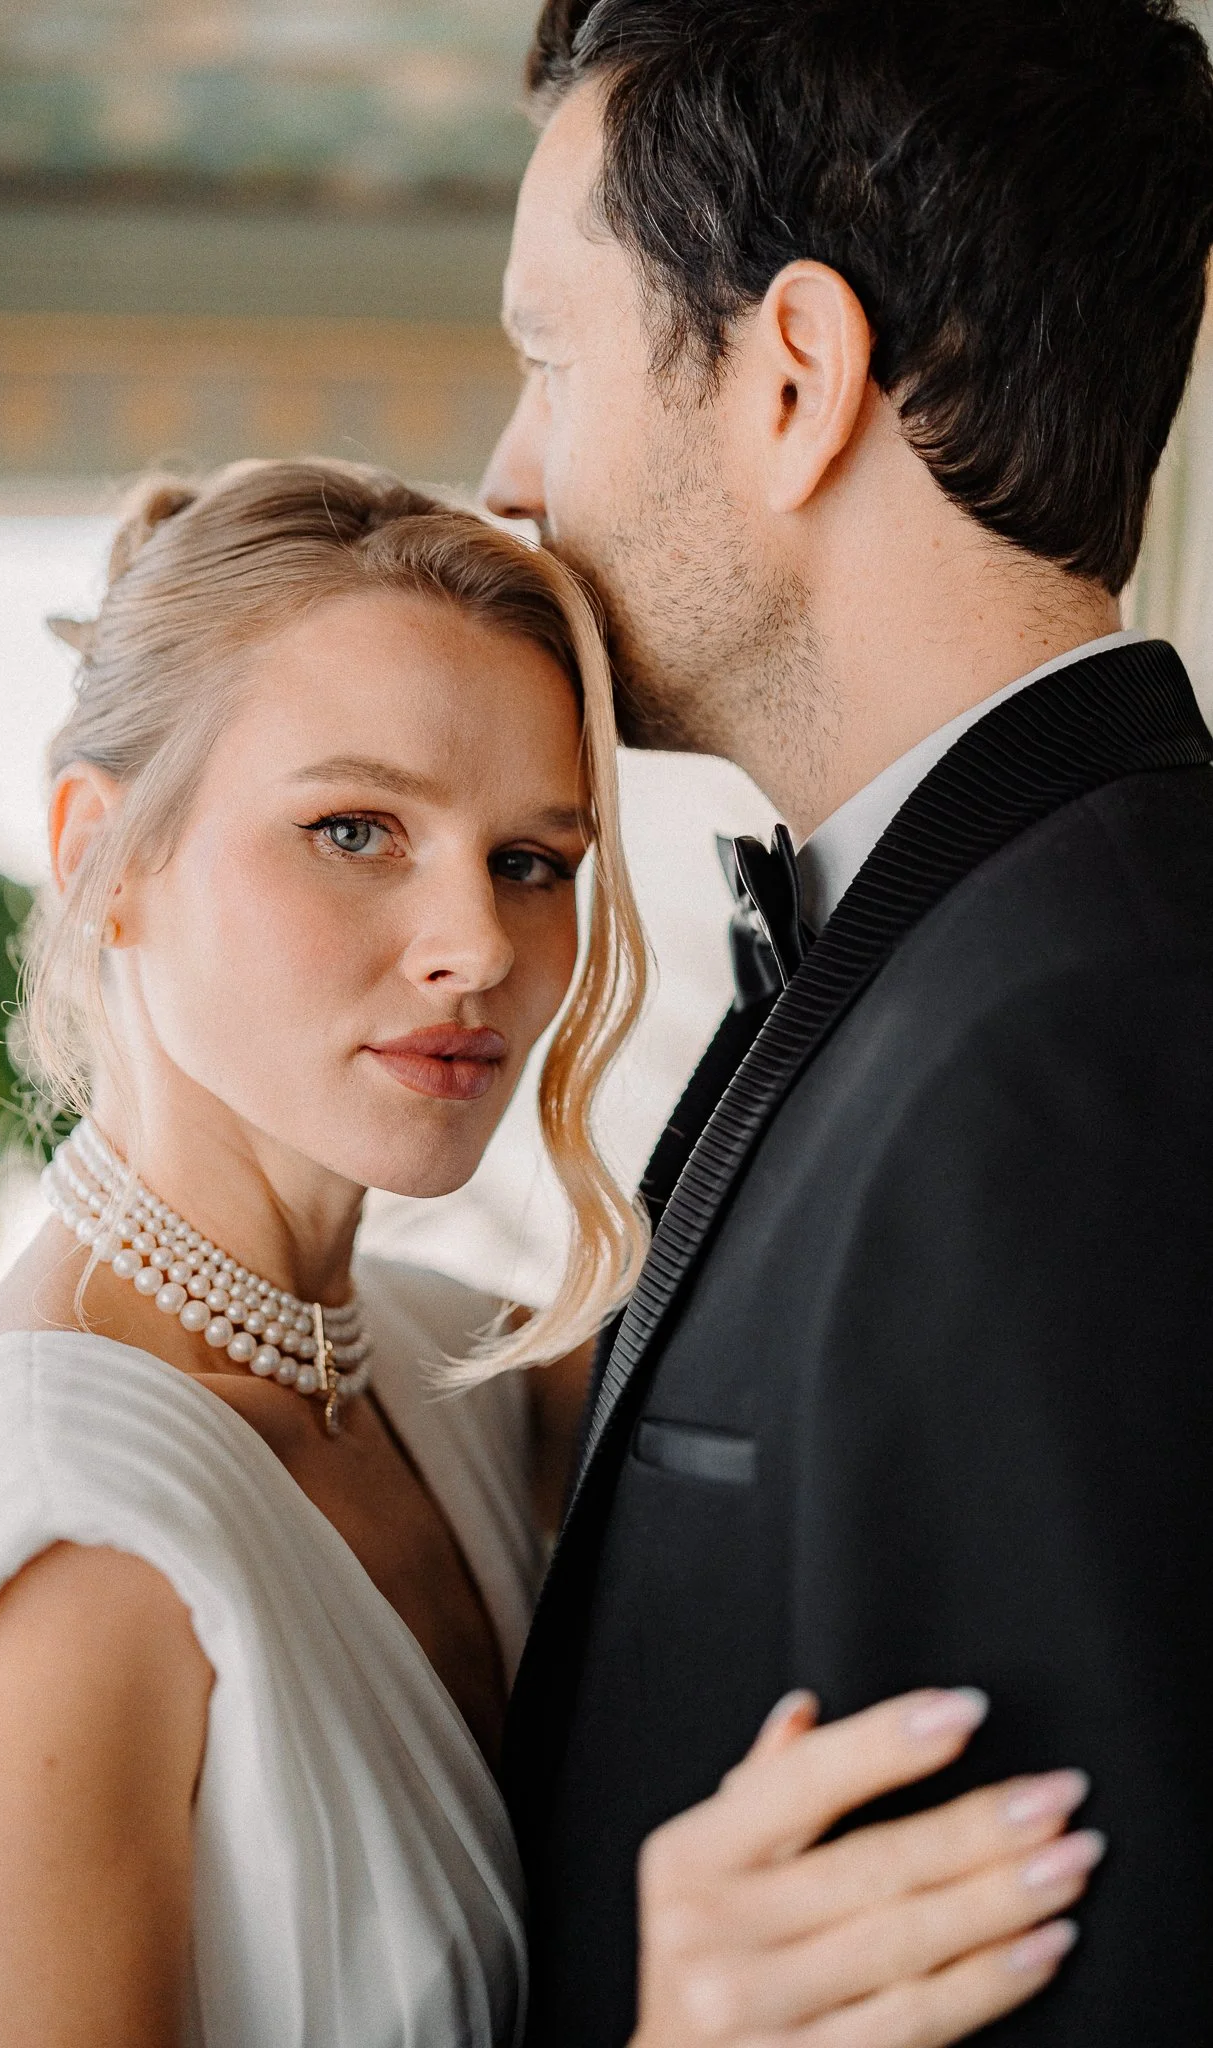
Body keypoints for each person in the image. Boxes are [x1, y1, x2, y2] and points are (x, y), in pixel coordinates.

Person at [0, 460, 1094, 2047]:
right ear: (108, 858)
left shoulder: (455, 1372)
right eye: (355, 828)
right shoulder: (65, 1553)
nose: (480, 948)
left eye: (534, 861)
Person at [481, 1, 1213, 2042]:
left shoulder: (1082, 1039)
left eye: (551, 359)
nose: (509, 472)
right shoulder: (962, 946)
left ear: (793, 378)